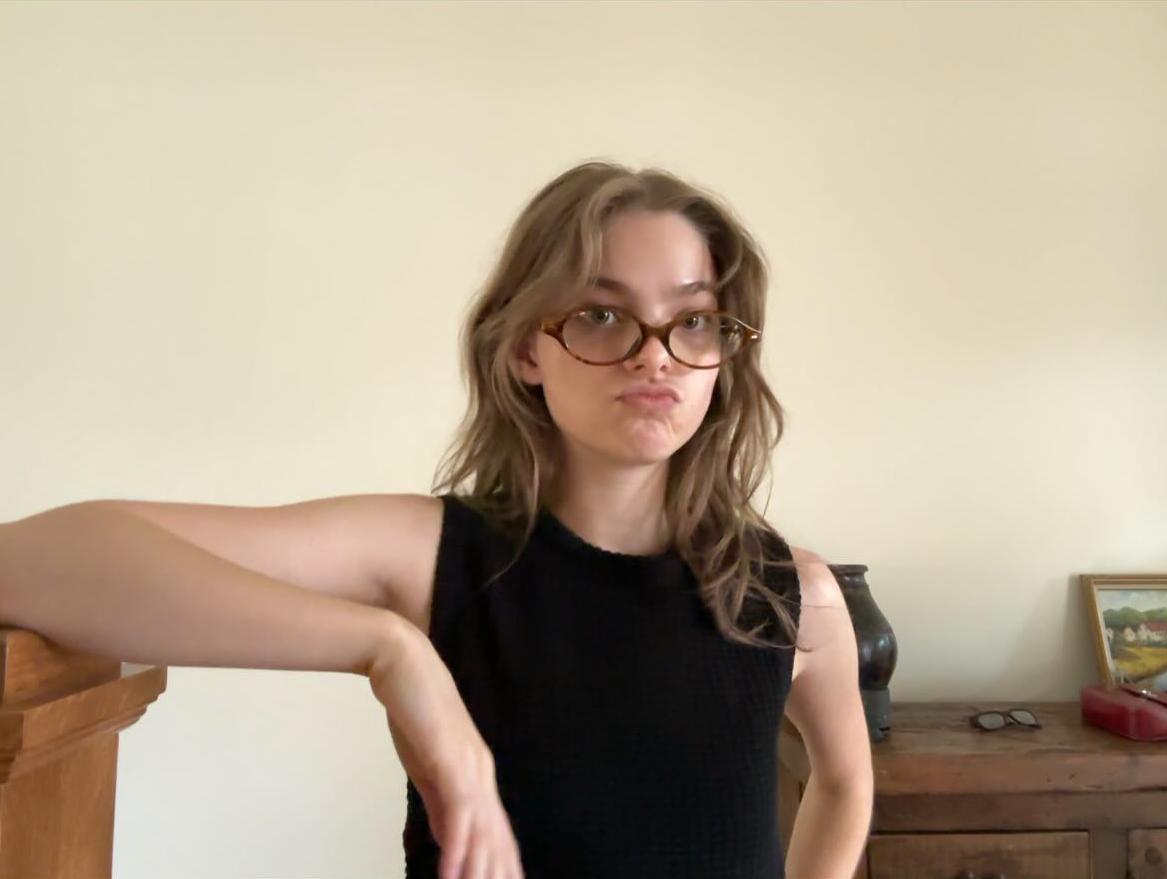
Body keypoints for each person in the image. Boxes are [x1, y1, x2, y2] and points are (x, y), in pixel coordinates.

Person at [0, 159, 873, 879]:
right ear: (526, 347)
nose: (655, 355)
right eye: (603, 315)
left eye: (693, 319)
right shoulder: (430, 555)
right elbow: (25, 559)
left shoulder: (794, 593)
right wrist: (389, 649)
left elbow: (842, 781)